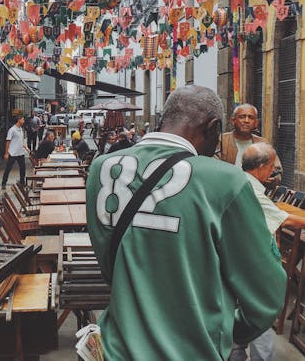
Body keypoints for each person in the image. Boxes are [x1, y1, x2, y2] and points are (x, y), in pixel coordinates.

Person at [86, 85, 286, 361]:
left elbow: (110, 267)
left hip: (117, 346)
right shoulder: (227, 181)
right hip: (192, 350)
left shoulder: (101, 169)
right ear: (214, 128)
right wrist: (227, 329)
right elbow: (267, 292)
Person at [230, 142, 305, 361]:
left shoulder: (240, 181)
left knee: (243, 324)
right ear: (262, 166)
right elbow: (286, 219)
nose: (273, 171)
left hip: (241, 263)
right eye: (272, 166)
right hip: (250, 266)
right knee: (259, 319)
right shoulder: (249, 189)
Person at [216, 104, 282, 186]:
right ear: (233, 120)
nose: (246, 120)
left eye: (251, 117)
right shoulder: (221, 140)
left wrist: (273, 179)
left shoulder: (262, 143)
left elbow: (277, 170)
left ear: (256, 123)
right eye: (242, 117)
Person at [1, 114, 27, 190]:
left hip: (20, 152)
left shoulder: (21, 129)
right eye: (23, 119)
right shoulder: (12, 130)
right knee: (8, 168)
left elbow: (20, 140)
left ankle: (22, 182)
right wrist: (6, 153)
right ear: (19, 120)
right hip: (13, 153)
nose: (23, 121)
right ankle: (4, 183)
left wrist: (25, 147)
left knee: (23, 168)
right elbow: (8, 141)